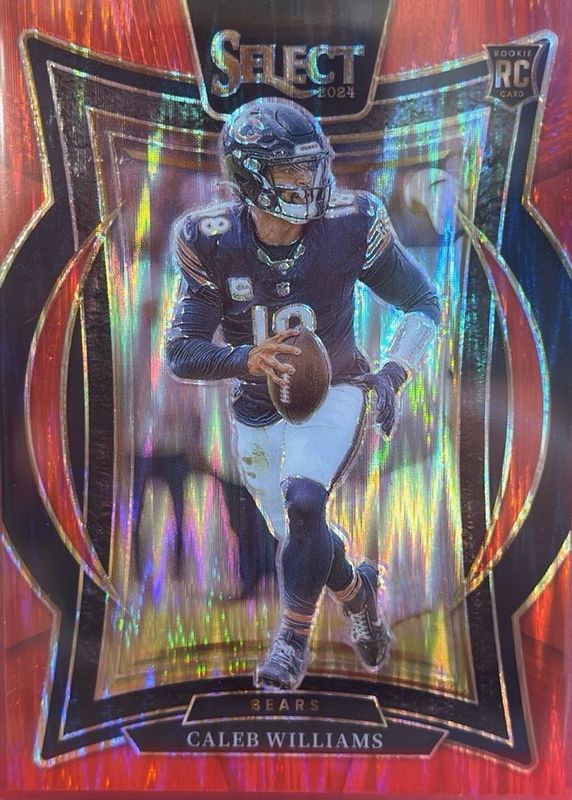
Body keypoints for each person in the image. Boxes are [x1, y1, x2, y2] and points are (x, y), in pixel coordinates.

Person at [165, 97, 440, 690]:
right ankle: (358, 590)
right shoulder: (212, 239)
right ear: (251, 177)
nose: (308, 181)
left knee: (306, 501)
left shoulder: (350, 222)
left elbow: (423, 302)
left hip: (337, 385)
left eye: (311, 165)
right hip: (256, 406)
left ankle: (291, 641)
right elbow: (181, 350)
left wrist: (393, 373)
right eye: (290, 170)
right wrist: (244, 359)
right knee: (300, 533)